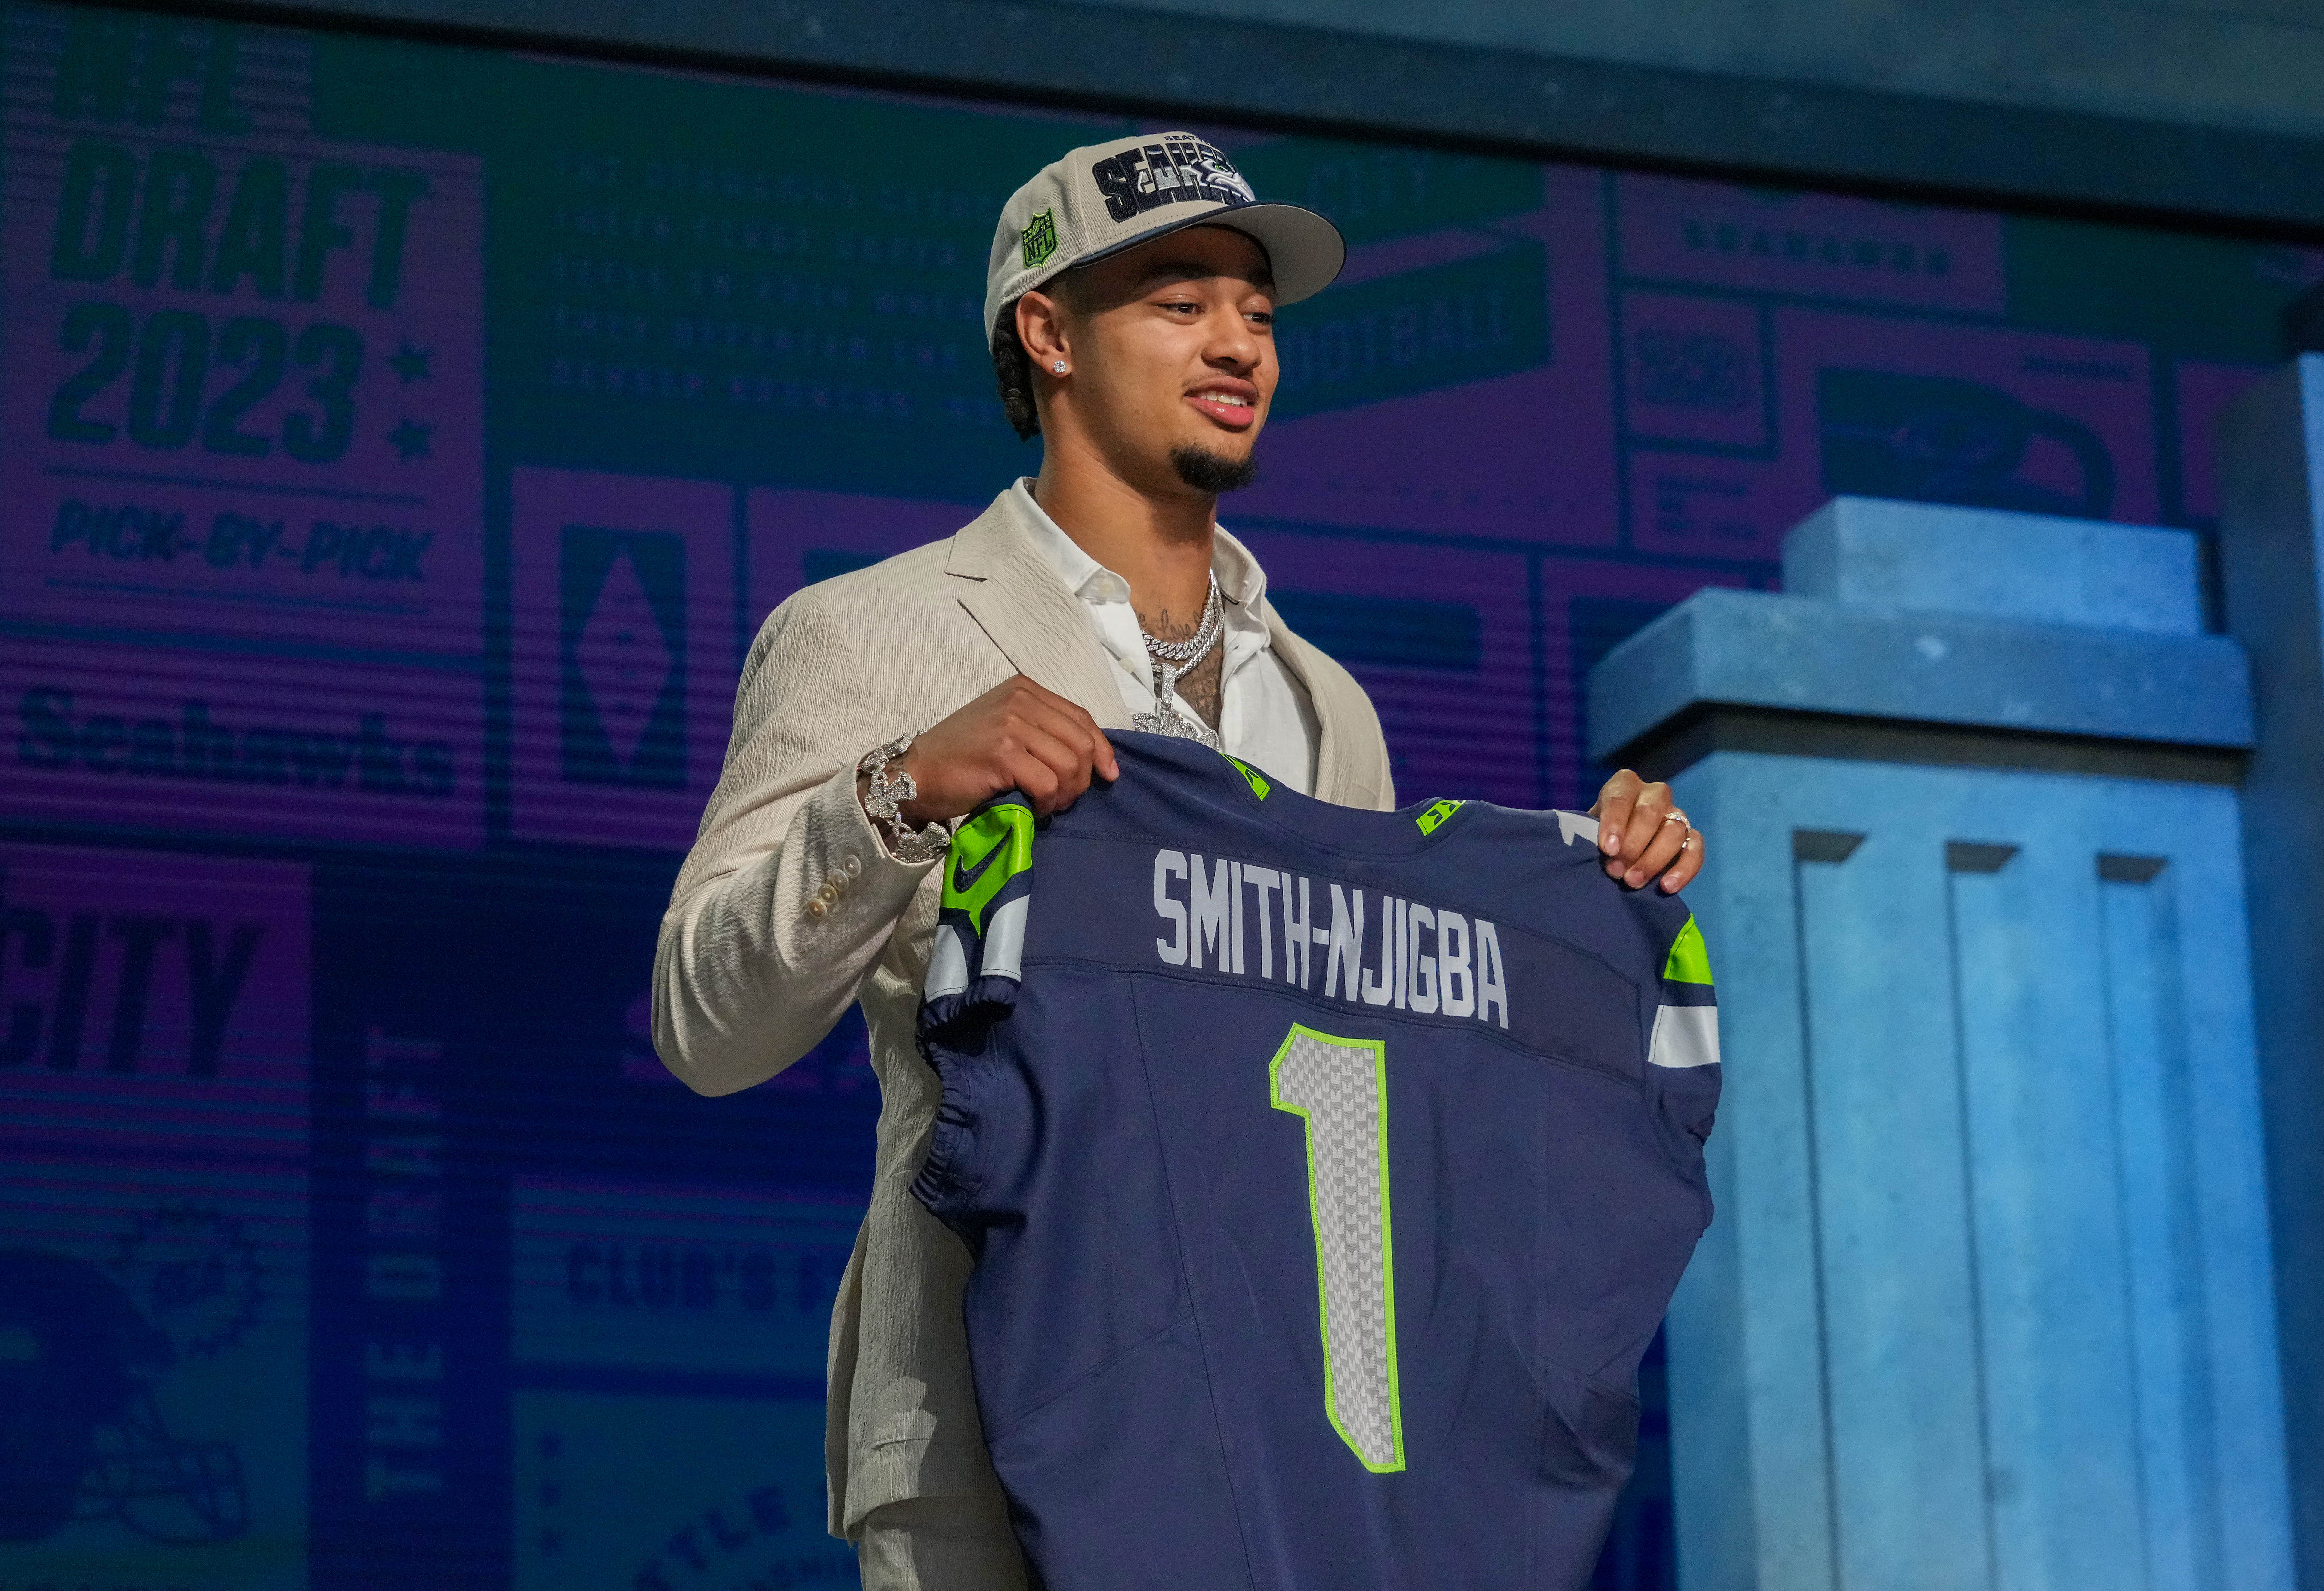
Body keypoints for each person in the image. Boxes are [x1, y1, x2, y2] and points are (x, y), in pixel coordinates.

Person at [652, 131, 1707, 1590]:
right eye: (1180, 300)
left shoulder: (1325, 701)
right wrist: (901, 791)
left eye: (1259, 315)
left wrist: (1591, 897)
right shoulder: (872, 631)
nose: (1239, 345)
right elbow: (707, 1028)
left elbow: (1389, 1066)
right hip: (988, 1440)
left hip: (1283, 1449)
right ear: (1048, 333)